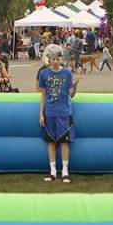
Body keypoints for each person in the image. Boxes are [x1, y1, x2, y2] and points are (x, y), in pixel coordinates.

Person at [39, 44, 79, 183]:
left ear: (62, 59)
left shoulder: (67, 72)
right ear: (49, 59)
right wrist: (41, 114)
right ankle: (53, 171)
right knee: (50, 141)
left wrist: (76, 85)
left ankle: (65, 171)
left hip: (64, 112)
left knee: (64, 142)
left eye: (58, 58)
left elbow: (71, 94)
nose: (56, 61)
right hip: (49, 112)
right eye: (53, 59)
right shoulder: (44, 74)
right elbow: (43, 94)